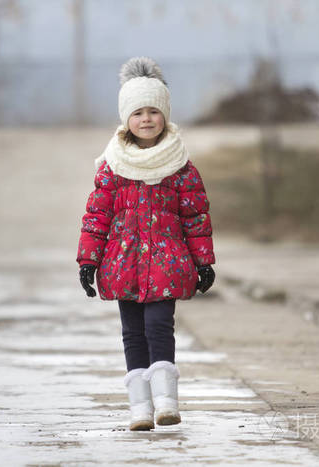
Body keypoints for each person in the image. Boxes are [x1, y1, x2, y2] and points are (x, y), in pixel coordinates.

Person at [76, 57, 216, 431]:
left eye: (154, 111)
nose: (147, 119)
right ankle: (140, 408)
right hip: (122, 264)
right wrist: (88, 261)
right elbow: (97, 216)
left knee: (159, 326)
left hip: (167, 263)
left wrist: (203, 261)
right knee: (132, 333)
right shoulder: (112, 166)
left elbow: (195, 216)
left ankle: (167, 402)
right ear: (126, 119)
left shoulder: (180, 165)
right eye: (138, 112)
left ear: (165, 115)